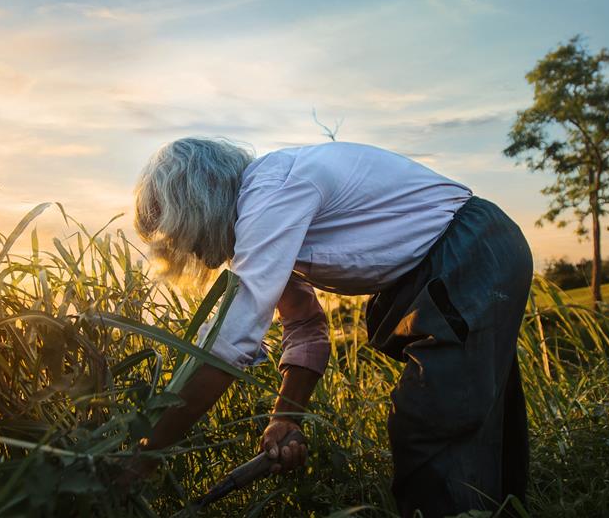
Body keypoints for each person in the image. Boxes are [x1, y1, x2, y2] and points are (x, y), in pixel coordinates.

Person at [129, 137, 533, 517]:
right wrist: (286, 418)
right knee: (476, 409)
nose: (191, 252)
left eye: (180, 234)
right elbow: (305, 326)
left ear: (198, 202)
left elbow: (225, 346)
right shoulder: (267, 217)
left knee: (430, 420)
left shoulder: (272, 191)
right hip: (464, 257)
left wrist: (143, 457)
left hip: (468, 252)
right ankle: (505, 508)